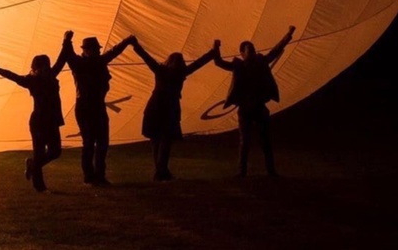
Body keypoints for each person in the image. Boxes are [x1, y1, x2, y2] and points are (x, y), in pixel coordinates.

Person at [130, 36, 219, 181]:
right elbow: (198, 63)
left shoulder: (161, 70)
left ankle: (160, 171)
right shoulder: (180, 73)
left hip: (155, 108)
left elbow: (146, 57)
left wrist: (135, 44)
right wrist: (213, 52)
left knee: (156, 141)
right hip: (168, 110)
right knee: (164, 141)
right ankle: (161, 171)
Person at [213, 26, 296, 177]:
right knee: (245, 142)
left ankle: (270, 171)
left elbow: (276, 50)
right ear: (242, 53)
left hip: (259, 107)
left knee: (265, 141)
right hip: (245, 109)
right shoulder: (238, 66)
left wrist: (289, 35)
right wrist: (216, 47)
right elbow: (218, 62)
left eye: (252, 48)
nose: (251, 51)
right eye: (248, 49)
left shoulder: (261, 62)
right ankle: (242, 171)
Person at [0, 33, 68, 192]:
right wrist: (2, 71)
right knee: (40, 152)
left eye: (47, 66)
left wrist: (66, 41)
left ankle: (32, 164)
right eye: (43, 67)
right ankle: (39, 186)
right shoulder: (31, 80)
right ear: (37, 68)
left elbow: (62, 60)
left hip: (52, 120)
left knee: (55, 151)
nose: (46, 68)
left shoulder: (52, 75)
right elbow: (16, 78)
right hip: (39, 121)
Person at [61, 30, 133, 186]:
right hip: (86, 107)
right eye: (95, 49)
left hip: (96, 106)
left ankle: (98, 176)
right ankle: (90, 176)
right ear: (87, 51)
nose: (98, 51)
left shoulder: (96, 61)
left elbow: (114, 52)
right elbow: (69, 54)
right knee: (89, 143)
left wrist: (126, 41)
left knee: (102, 142)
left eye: (98, 50)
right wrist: (67, 41)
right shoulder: (79, 63)